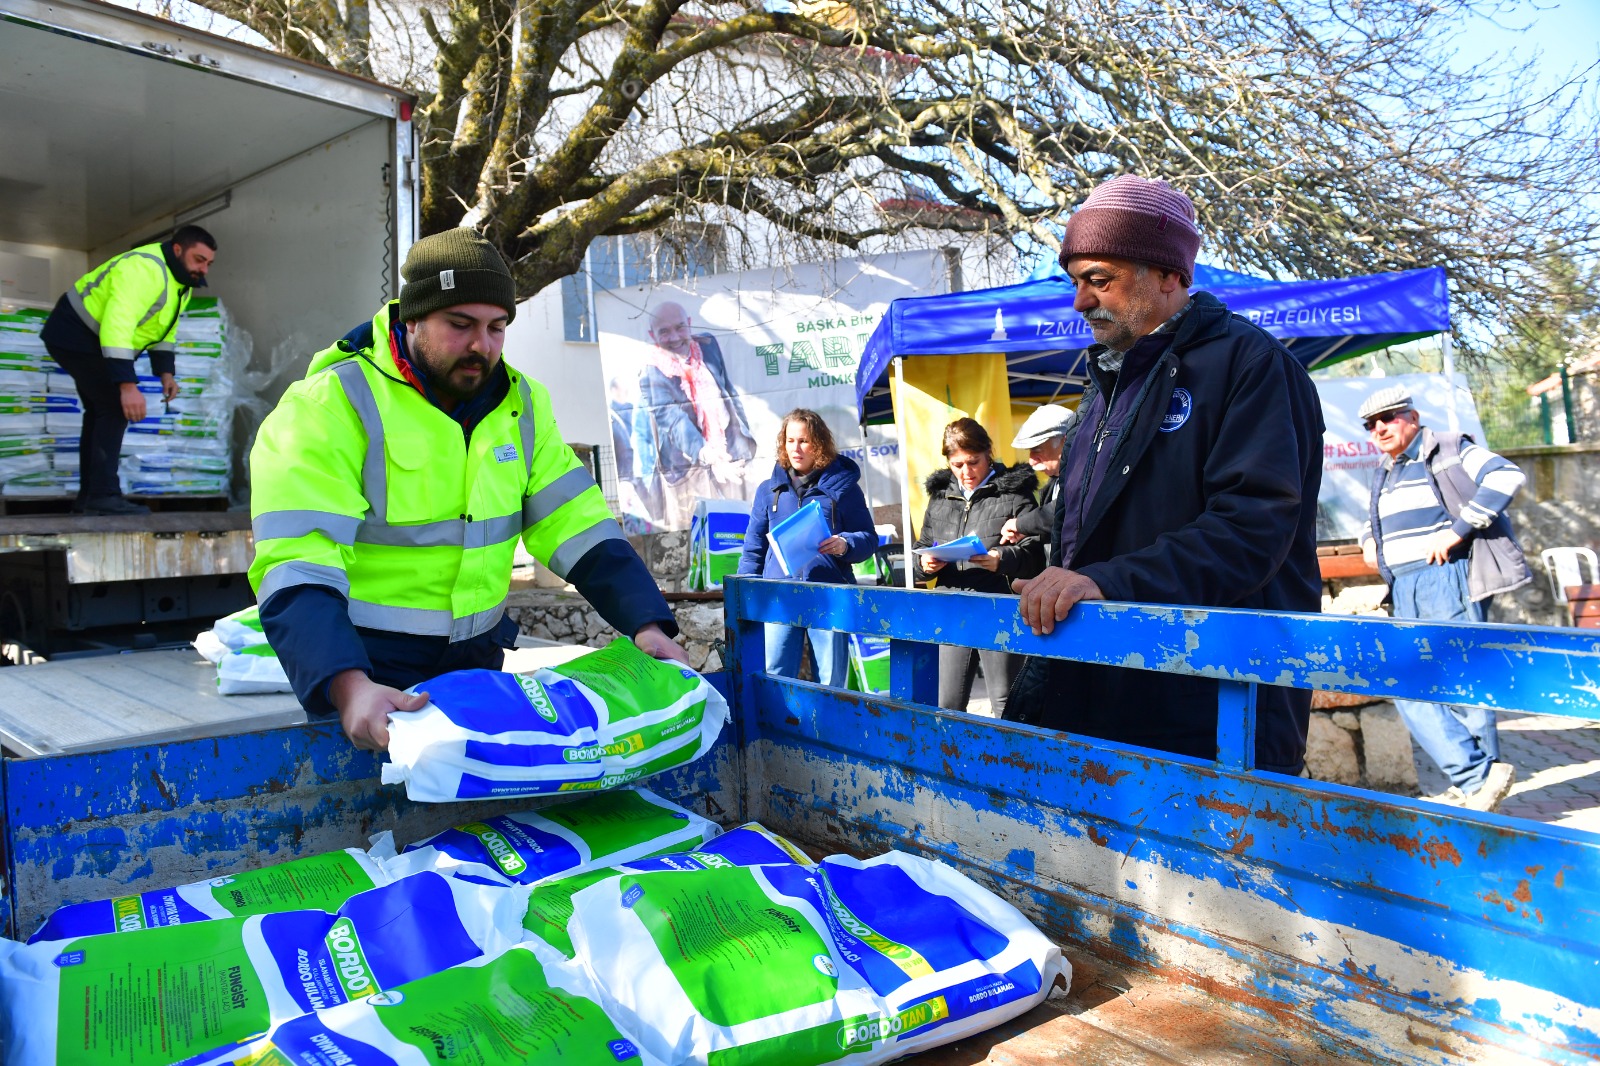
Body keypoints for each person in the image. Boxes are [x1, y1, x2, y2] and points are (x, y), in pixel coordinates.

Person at [249, 229, 686, 752]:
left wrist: (647, 620)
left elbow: (576, 522)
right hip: (367, 673)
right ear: (412, 319)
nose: (482, 345)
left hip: (476, 668)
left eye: (497, 327)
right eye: (460, 325)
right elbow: (298, 559)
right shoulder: (330, 404)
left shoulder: (521, 404)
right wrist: (346, 686)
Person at [1010, 175, 1324, 776]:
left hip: (1212, 705)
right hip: (1106, 694)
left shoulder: (1251, 367)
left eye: (1099, 279)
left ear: (1170, 275)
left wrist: (1106, 582)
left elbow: (1249, 530)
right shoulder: (1105, 383)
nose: (1080, 301)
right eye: (1075, 281)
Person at [1357, 384, 1530, 812]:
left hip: (1444, 577)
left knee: (1460, 682)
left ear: (1411, 417)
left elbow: (1507, 475)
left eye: (1388, 418)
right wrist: (1368, 542)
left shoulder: (1449, 447)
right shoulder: (1385, 468)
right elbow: (1372, 520)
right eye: (1369, 425)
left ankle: (1477, 782)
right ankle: (1478, 780)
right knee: (1408, 680)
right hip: (1404, 586)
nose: (1379, 428)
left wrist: (1458, 530)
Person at [40, 226, 216, 515]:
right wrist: (126, 385)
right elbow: (117, 324)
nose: (203, 269)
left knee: (100, 411)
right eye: (199, 259)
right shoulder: (144, 269)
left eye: (208, 263)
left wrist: (166, 373)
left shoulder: (180, 283)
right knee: (112, 406)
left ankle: (91, 499)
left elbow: (164, 329)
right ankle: (102, 496)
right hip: (74, 334)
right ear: (177, 250)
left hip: (89, 340)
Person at [914, 417, 1045, 716]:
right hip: (951, 606)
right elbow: (922, 547)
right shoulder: (939, 497)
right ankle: (950, 762)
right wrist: (925, 563)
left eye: (973, 462)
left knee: (1004, 700)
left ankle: (1011, 762)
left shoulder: (1014, 494)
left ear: (989, 453)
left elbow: (1036, 558)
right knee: (948, 702)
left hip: (997, 605)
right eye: (956, 464)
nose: (965, 472)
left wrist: (1002, 559)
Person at [737, 409, 878, 685]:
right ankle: (776, 730)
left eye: (804, 441)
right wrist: (744, 596)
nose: (796, 448)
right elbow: (753, 548)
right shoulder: (769, 490)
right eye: (790, 441)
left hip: (828, 594)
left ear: (820, 444)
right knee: (774, 679)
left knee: (830, 682)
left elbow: (868, 538)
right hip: (778, 596)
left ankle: (830, 730)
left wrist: (844, 544)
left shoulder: (844, 487)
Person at [636, 301, 757, 527]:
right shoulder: (650, 374)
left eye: (680, 327)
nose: (674, 337)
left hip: (732, 454)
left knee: (745, 529)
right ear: (653, 335)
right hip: (689, 468)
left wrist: (743, 441)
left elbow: (727, 390)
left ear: (689, 324)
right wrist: (709, 455)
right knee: (701, 539)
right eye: (665, 331)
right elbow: (673, 422)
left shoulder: (708, 345)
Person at [1000, 404, 1075, 550]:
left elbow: (1062, 509)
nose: (1031, 461)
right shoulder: (1054, 483)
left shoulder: (1088, 476)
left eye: (1037, 450)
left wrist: (1019, 524)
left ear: (1065, 442)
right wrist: (1028, 531)